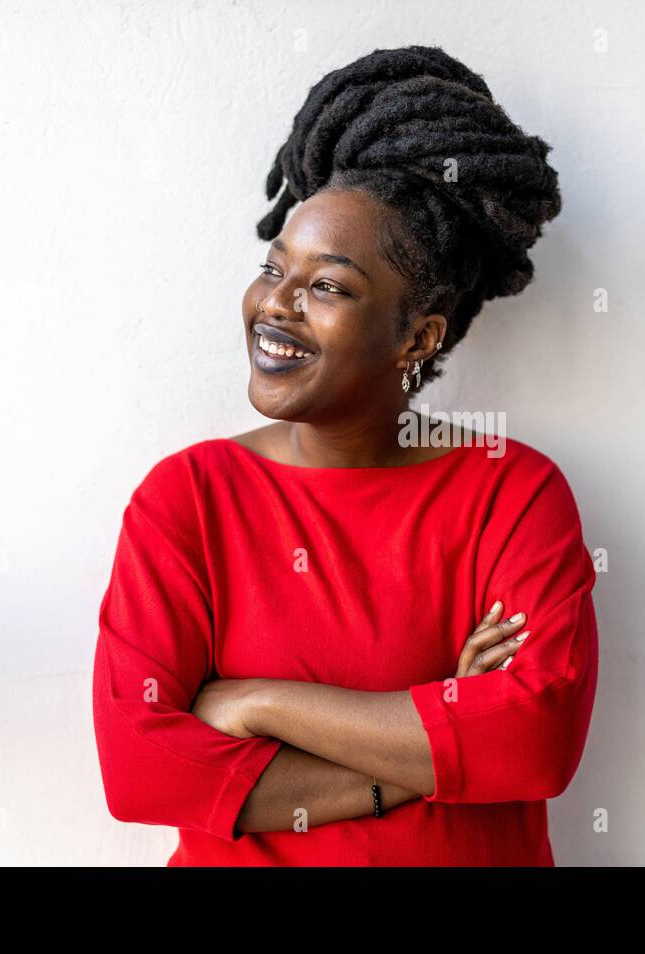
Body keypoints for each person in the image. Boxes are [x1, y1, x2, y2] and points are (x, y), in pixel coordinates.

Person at [91, 44, 598, 865]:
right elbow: (141, 768)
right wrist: (432, 734)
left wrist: (256, 704)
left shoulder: (514, 495)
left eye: (327, 286)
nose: (275, 307)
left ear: (419, 335)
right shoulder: (188, 498)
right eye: (273, 270)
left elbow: (533, 743)